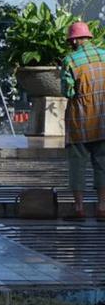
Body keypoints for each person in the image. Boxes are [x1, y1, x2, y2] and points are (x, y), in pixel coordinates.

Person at [62, 21, 105, 220]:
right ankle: (102, 207)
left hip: (79, 121)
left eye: (71, 41)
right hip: (103, 119)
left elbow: (67, 91)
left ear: (75, 41)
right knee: (102, 164)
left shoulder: (70, 60)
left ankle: (78, 208)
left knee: (77, 165)